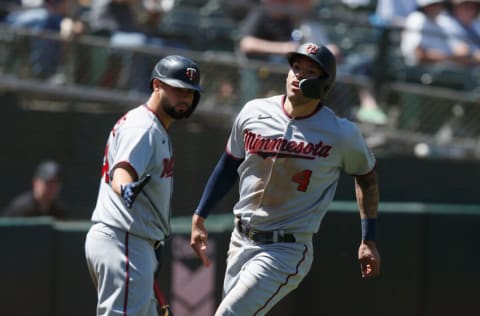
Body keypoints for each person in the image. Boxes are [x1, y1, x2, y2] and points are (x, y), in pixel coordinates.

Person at [190, 42, 381, 315]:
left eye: (310, 71)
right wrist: (200, 215)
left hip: (285, 249)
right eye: (296, 67)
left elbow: (367, 178)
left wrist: (368, 239)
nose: (298, 75)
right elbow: (229, 164)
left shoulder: (341, 133)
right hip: (240, 238)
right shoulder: (253, 112)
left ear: (325, 83)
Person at [84, 55, 202, 316]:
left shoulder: (154, 127)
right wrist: (125, 188)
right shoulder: (143, 128)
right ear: (157, 85)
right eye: (178, 89)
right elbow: (122, 173)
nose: (185, 98)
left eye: (190, 92)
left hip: (132, 241)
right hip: (124, 238)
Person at [2, 160, 68, 219]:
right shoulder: (21, 208)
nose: (52, 188)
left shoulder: (60, 211)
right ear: (35, 183)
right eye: (48, 183)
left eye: (56, 183)